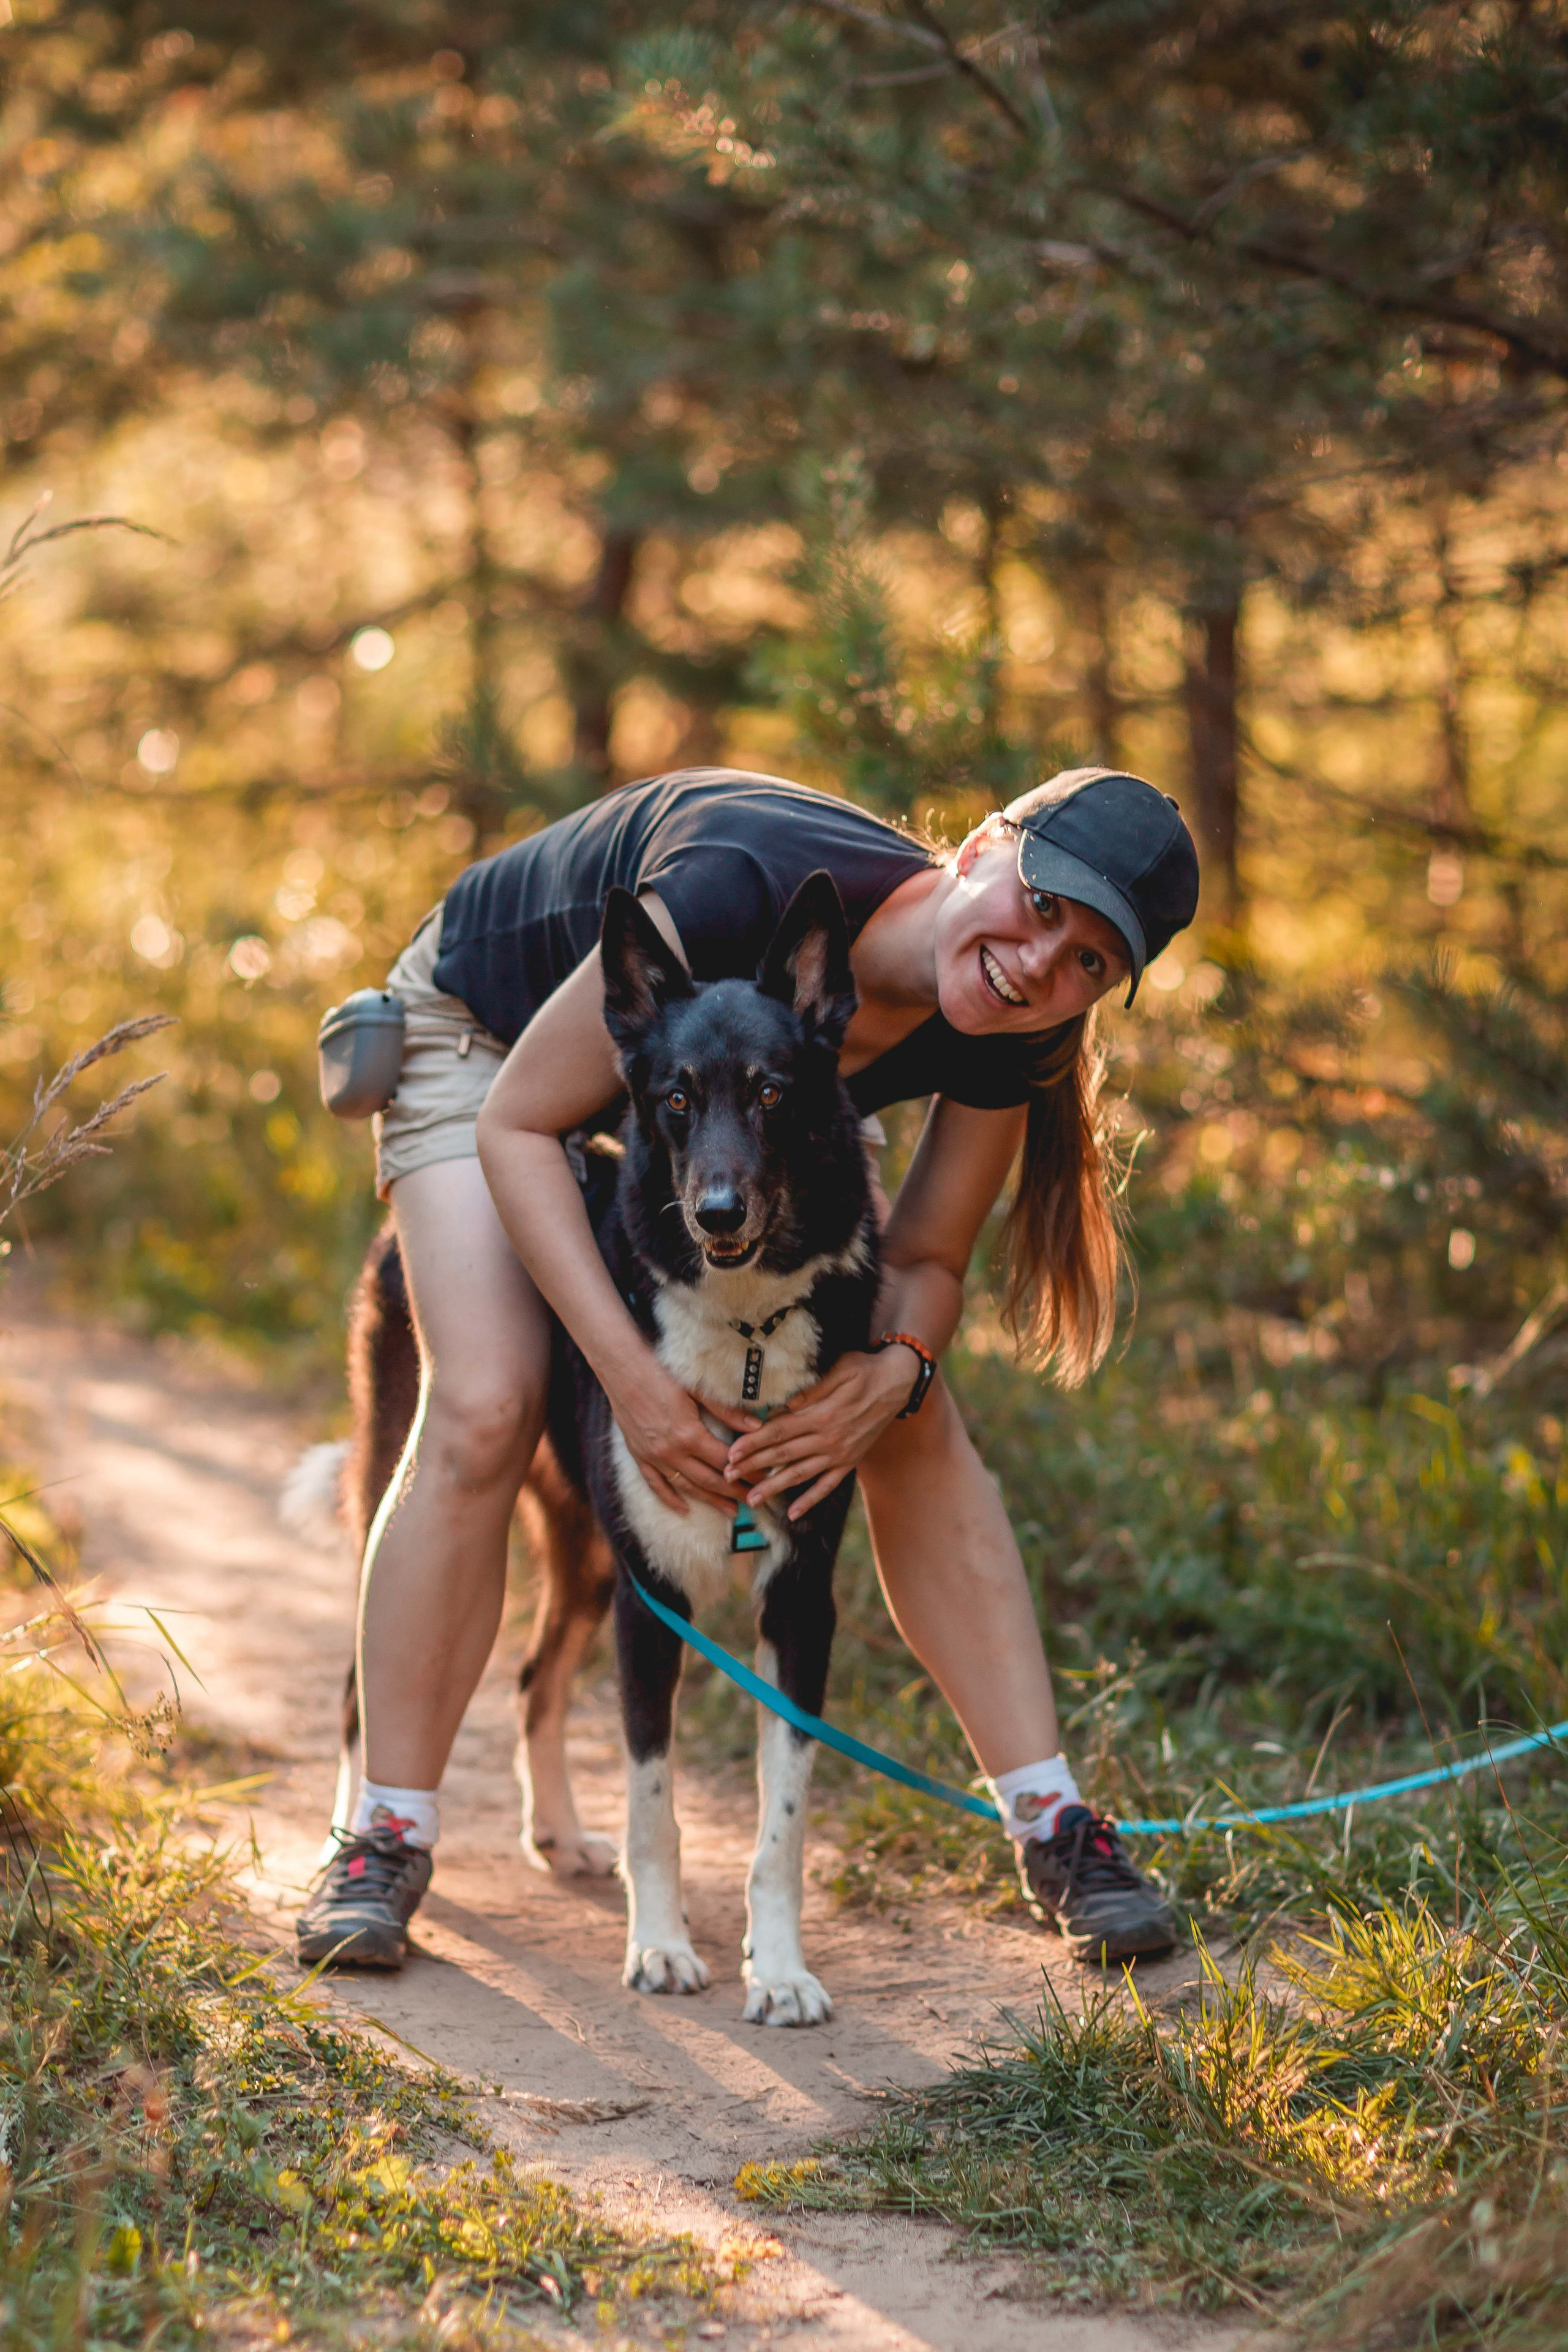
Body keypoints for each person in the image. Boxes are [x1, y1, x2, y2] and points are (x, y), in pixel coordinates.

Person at [295, 764, 1200, 1970]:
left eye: (1089, 960)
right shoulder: (735, 884)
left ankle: (1051, 1824)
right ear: (982, 848)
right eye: (1041, 909)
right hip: (493, 1047)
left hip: (753, 1086)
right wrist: (630, 1380)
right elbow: (519, 1125)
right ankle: (381, 1835)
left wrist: (891, 1375)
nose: (1043, 965)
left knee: (911, 1418)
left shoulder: (1002, 1019)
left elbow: (925, 1260)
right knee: (489, 1397)